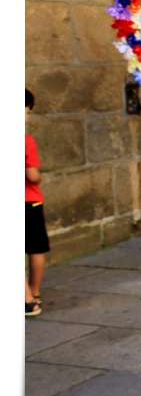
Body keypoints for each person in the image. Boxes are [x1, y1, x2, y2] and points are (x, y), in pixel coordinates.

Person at [25, 89, 47, 317]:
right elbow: (32, 176)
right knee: (36, 248)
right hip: (29, 201)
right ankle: (33, 293)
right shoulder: (25, 141)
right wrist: (39, 179)